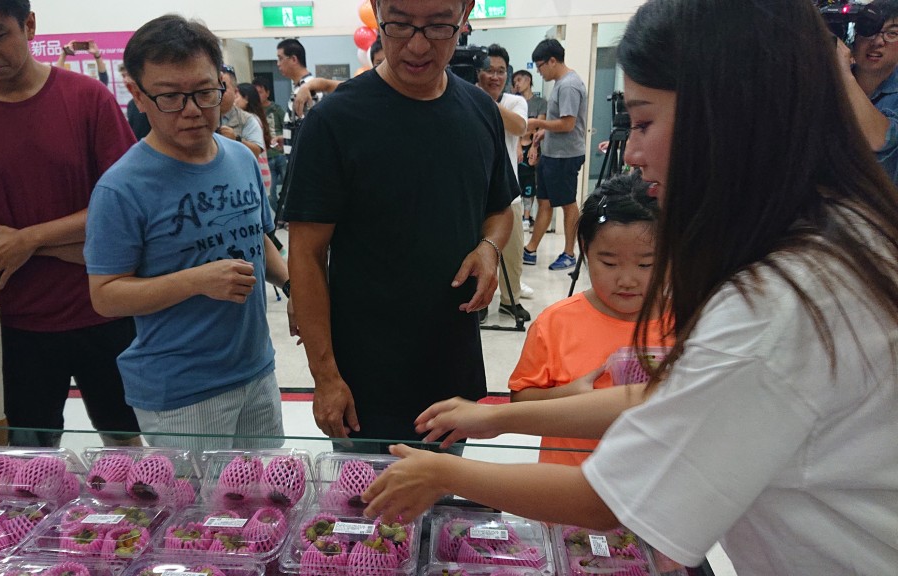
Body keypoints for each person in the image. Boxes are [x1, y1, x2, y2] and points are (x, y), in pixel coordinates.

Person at [361, 1, 898, 574]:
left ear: (730, 116)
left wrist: (445, 473)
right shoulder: (837, 231)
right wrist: (497, 418)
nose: (633, 155)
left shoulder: (778, 305)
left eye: (643, 122)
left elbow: (612, 498)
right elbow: (669, 399)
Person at [284, 0, 517, 452]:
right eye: (399, 24)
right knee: (370, 515)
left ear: (465, 14)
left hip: (451, 371)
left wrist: (489, 246)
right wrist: (326, 376)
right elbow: (307, 256)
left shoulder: (479, 111)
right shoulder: (334, 121)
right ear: (375, 10)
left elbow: (500, 208)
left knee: (444, 509)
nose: (416, 45)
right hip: (366, 381)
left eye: (437, 27)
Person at [0, 0, 142, 447]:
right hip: (12, 323)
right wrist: (38, 243)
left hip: (106, 306)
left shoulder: (88, 99)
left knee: (128, 446)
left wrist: (28, 240)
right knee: (26, 460)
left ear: (29, 25)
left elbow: (125, 212)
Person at [85, 14, 292, 454]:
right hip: (182, 390)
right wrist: (198, 281)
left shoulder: (239, 158)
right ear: (139, 96)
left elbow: (260, 238)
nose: (193, 110)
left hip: (256, 369)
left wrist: (296, 286)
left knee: (269, 503)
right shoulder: (122, 187)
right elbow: (105, 294)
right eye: (171, 98)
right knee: (201, 519)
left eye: (203, 92)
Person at [509, 172, 671, 465]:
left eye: (646, 264)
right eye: (609, 263)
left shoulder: (689, 323)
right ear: (585, 250)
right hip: (566, 489)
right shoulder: (556, 324)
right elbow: (519, 404)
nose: (627, 280)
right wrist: (567, 396)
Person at [475, 44, 530, 324]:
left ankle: (511, 301)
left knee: (512, 254)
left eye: (501, 71)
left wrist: (484, 102)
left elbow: (520, 128)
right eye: (489, 70)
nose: (495, 77)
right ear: (478, 73)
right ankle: (480, 301)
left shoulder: (514, 102)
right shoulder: (464, 99)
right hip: (475, 195)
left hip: (510, 194)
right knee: (479, 252)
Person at [522, 38, 587, 271]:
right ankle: (530, 249)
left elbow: (568, 124)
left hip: (565, 156)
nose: (539, 72)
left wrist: (539, 123)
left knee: (568, 204)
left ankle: (569, 253)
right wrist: (542, 134)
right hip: (553, 154)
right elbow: (559, 122)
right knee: (545, 202)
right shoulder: (560, 83)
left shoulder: (569, 85)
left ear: (552, 60)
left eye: (540, 66)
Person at [839, 0, 898, 185]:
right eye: (869, 29)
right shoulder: (827, 84)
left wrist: (843, 74)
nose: (878, 41)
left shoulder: (841, 78)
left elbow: (880, 141)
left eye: (892, 33)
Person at [291, 39, 386, 116]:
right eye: (378, 63)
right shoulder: (365, 88)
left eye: (387, 62)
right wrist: (305, 87)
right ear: (372, 64)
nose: (384, 67)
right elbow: (326, 84)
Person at [276, 38, 322, 156]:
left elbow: (311, 134)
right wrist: (287, 138)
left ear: (294, 59)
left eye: (280, 58)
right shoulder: (299, 88)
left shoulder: (308, 90)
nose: (278, 63)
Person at [511, 69, 545, 230]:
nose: (517, 84)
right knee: (516, 180)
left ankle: (527, 216)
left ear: (528, 79)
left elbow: (539, 125)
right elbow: (514, 127)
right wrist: (517, 146)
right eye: (514, 81)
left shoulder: (540, 103)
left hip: (534, 144)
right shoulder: (514, 102)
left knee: (530, 181)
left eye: (519, 80)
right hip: (517, 145)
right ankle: (516, 216)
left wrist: (534, 147)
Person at [253, 77, 286, 210]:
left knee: (289, 190)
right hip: (266, 158)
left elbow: (288, 128)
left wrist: (281, 137)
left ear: (267, 93)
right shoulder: (253, 113)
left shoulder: (276, 109)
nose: (258, 96)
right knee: (270, 194)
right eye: (255, 93)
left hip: (280, 154)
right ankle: (280, 218)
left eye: (260, 92)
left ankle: (288, 218)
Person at [236, 82, 274, 194]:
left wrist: (235, 138)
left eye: (236, 96)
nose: (234, 100)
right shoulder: (255, 118)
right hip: (260, 175)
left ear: (246, 99)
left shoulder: (250, 120)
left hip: (258, 176)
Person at [117, 63, 150, 140]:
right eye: (123, 76)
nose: (125, 79)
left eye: (128, 75)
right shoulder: (131, 104)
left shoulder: (151, 100)